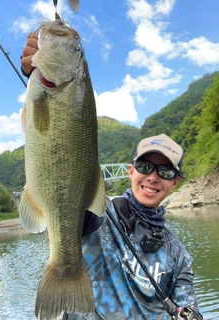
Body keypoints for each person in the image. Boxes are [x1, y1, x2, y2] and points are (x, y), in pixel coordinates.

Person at [21, 35, 202, 320]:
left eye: (165, 171)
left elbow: (186, 300)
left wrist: (188, 313)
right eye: (145, 167)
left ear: (175, 182)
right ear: (131, 171)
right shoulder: (101, 215)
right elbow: (67, 188)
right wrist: (42, 71)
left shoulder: (178, 253)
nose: (153, 177)